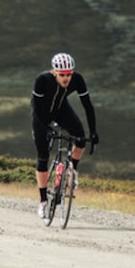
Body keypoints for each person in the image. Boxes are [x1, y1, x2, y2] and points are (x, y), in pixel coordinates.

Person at [31, 52, 98, 219]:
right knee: (43, 157)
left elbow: (88, 106)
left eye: (69, 74)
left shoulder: (77, 79)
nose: (66, 78)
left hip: (62, 111)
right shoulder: (42, 80)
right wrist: (45, 128)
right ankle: (43, 201)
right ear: (54, 72)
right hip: (41, 116)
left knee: (80, 139)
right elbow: (36, 107)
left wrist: (94, 132)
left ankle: (72, 170)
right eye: (62, 75)